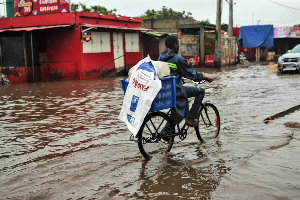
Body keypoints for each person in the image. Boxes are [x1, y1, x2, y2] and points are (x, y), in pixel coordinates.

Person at [158, 35, 213, 126]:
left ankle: (167, 131)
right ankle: (190, 117)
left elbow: (167, 71)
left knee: (178, 109)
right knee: (201, 91)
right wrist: (204, 77)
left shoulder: (161, 57)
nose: (179, 47)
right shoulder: (178, 59)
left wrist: (179, 77)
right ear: (175, 45)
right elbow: (191, 74)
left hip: (165, 90)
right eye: (178, 44)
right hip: (176, 90)